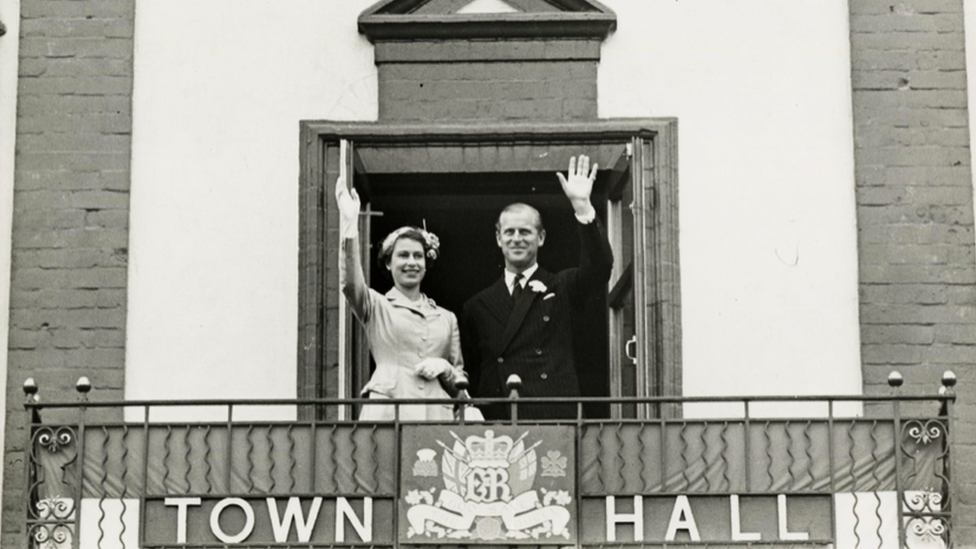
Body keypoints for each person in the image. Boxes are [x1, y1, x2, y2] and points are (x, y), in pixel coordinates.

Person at [461, 154, 613, 420]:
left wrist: (583, 207)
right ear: (498, 239)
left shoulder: (562, 286)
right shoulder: (477, 305)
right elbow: (473, 368)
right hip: (499, 419)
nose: (517, 239)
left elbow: (599, 267)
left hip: (553, 415)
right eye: (509, 232)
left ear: (541, 237)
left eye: (525, 232)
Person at [336, 170, 465, 421]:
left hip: (436, 415)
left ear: (426, 263)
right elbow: (350, 283)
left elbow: (461, 384)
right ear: (388, 263)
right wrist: (349, 226)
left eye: (418, 256)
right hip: (388, 413)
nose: (411, 263)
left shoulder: (447, 318)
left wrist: (447, 368)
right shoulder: (376, 305)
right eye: (403, 256)